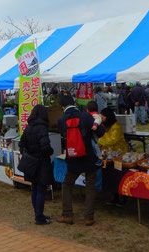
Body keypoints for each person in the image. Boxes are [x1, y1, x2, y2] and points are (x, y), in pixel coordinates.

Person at [56, 96, 105, 226]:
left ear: (62, 107)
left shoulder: (61, 120)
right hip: (88, 157)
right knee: (90, 186)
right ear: (74, 104)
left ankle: (67, 215)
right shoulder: (85, 116)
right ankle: (88, 217)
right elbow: (100, 132)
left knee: (67, 184)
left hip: (73, 158)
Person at [18, 104, 54, 225]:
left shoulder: (29, 127)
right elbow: (45, 147)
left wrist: (28, 154)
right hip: (41, 162)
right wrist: (50, 152)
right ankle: (39, 216)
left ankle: (37, 213)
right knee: (41, 189)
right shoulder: (42, 128)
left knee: (34, 188)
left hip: (31, 163)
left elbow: (21, 144)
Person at [86, 101, 103, 166]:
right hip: (93, 133)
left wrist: (95, 125)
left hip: (95, 133)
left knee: (95, 145)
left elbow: (98, 119)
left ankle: (100, 157)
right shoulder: (93, 114)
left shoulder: (94, 114)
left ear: (88, 109)